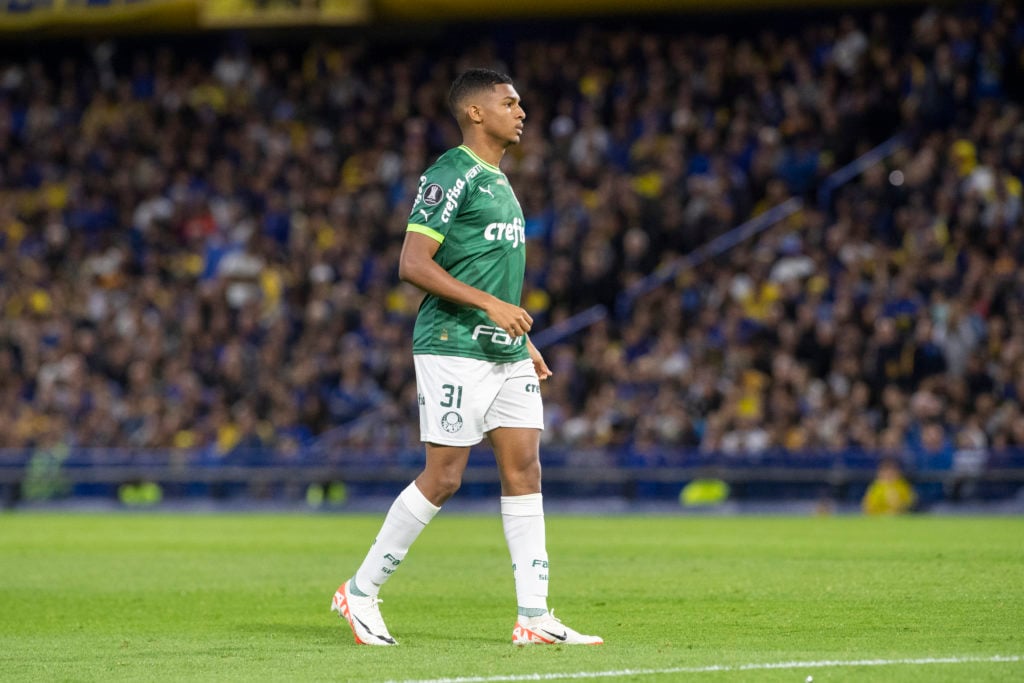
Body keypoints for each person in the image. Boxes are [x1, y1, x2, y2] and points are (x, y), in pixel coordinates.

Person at [331, 68, 603, 646]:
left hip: (501, 349)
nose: (521, 111)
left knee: (525, 467)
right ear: (477, 113)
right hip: (452, 345)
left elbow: (488, 270)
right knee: (445, 475)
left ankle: (534, 615)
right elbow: (413, 263)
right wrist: (489, 306)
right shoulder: (450, 173)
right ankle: (360, 592)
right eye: (510, 102)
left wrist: (519, 336)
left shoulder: (500, 182)